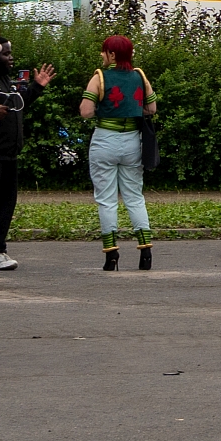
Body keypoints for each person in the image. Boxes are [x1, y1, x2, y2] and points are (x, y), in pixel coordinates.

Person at [0, 39, 54, 273]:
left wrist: (36, 87)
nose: (11, 58)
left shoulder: (4, 79)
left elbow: (15, 105)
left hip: (8, 155)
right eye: (7, 54)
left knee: (5, 206)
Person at [81, 34, 155, 270]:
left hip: (105, 140)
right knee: (135, 196)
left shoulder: (99, 77)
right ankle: (145, 252)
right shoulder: (139, 76)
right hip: (133, 140)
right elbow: (151, 108)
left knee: (106, 199)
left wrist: (103, 110)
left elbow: (85, 111)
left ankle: (111, 255)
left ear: (112, 55)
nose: (102, 55)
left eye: (104, 51)